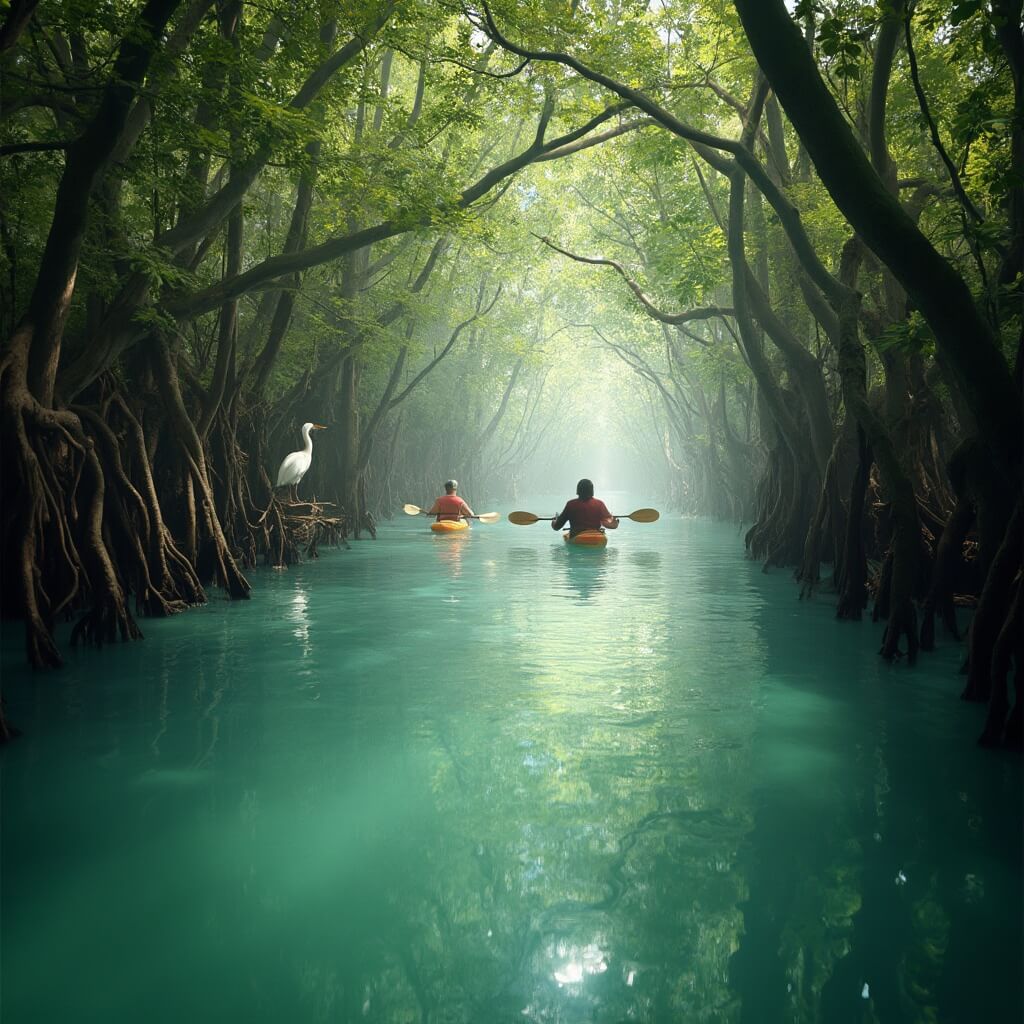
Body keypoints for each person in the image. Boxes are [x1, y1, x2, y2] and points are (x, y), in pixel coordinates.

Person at [552, 479, 619, 536]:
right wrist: (615, 522)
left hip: (577, 536)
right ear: (592, 491)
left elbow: (556, 527)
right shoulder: (599, 504)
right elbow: (610, 525)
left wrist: (554, 521)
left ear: (578, 491)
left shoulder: (570, 504)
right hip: (595, 537)